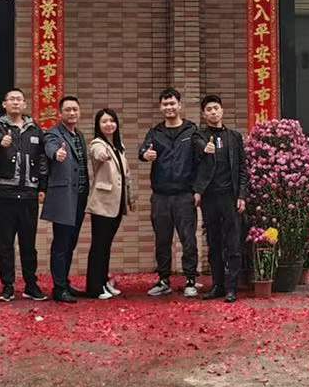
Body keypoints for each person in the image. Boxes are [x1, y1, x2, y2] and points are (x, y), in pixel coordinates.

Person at [0, 89, 48, 302]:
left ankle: (31, 285)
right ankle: (8, 286)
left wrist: (42, 187)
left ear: (24, 104)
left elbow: (42, 161)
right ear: (4, 104)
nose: (15, 102)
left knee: (29, 244)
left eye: (19, 99)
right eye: (11, 99)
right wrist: (0, 141)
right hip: (5, 195)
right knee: (5, 245)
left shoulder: (35, 129)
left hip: (29, 195)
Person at [139, 88, 202, 297]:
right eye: (165, 104)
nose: (169, 107)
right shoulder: (155, 132)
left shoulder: (191, 131)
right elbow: (143, 150)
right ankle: (163, 280)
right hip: (161, 196)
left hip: (185, 195)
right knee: (162, 240)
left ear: (179, 105)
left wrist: (197, 190)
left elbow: (200, 160)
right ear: (160, 107)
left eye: (172, 103)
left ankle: (190, 280)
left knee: (188, 239)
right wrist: (146, 154)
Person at [193, 94, 248, 304]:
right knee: (214, 242)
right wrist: (204, 150)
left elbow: (242, 169)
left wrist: (242, 195)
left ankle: (232, 287)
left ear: (222, 111)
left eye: (216, 108)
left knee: (233, 243)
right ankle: (218, 285)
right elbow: (196, 159)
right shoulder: (199, 136)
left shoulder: (234, 137)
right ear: (203, 114)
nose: (213, 112)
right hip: (209, 197)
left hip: (230, 197)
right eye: (209, 109)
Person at [40, 95, 89, 303]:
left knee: (71, 242)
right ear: (60, 113)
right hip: (63, 197)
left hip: (80, 196)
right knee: (61, 243)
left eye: (75, 109)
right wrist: (56, 154)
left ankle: (65, 283)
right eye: (68, 110)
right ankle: (59, 288)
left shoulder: (80, 135)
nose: (72, 113)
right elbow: (50, 148)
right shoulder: (53, 134)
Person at [85, 108, 135, 300]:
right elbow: (97, 153)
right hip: (103, 203)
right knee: (99, 245)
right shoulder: (98, 144)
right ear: (98, 125)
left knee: (106, 245)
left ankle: (103, 282)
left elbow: (125, 175)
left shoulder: (118, 146)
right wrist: (102, 155)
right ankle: (94, 287)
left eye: (112, 121)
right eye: (104, 121)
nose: (109, 124)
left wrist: (130, 199)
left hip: (117, 203)